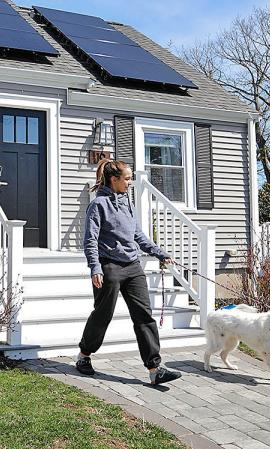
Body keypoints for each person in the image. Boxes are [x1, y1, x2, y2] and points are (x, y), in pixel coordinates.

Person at [76, 158, 182, 385]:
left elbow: (137, 235)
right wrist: (95, 268)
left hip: (133, 266)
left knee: (144, 315)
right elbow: (90, 241)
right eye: (127, 179)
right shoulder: (98, 205)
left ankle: (155, 369)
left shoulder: (126, 202)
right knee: (103, 314)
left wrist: (159, 252)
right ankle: (84, 355)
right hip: (109, 267)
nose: (130, 182)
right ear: (114, 180)